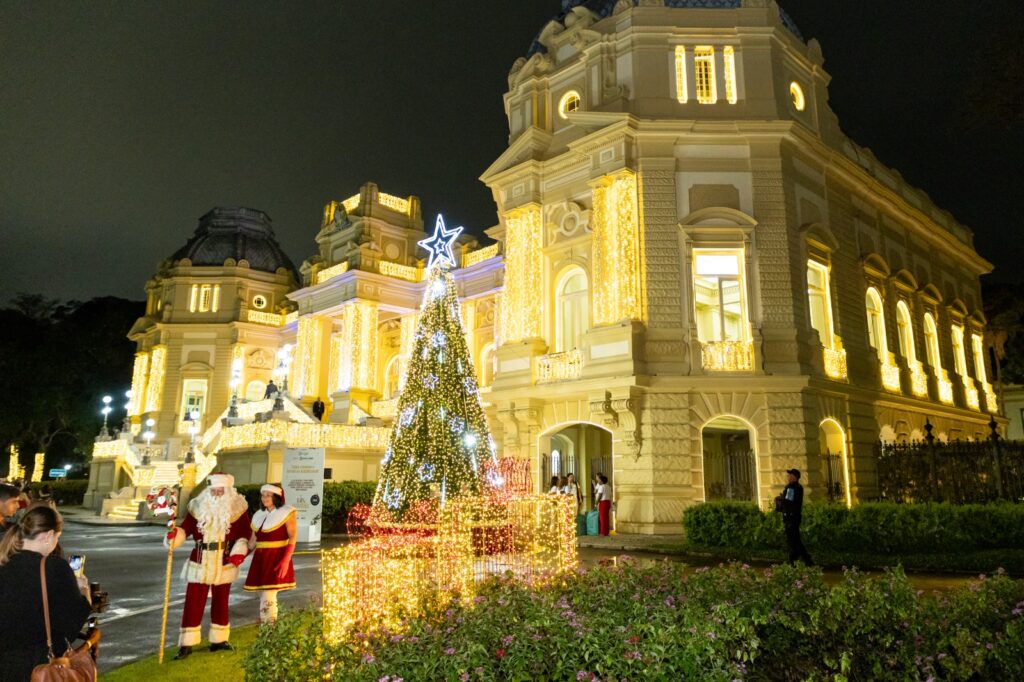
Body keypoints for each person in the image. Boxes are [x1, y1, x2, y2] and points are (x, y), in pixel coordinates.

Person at [0, 505, 93, 682]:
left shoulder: (4, 561)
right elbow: (71, 627)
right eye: (57, 537)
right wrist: (83, 592)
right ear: (49, 535)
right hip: (38, 666)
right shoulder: (55, 567)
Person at [166, 472, 251, 659]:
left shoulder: (238, 508)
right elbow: (185, 528)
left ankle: (219, 640)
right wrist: (175, 536)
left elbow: (246, 534)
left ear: (228, 489)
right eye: (214, 489)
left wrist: (240, 550)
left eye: (221, 489)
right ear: (209, 489)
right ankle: (186, 644)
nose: (217, 493)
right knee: (193, 602)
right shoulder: (197, 506)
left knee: (221, 601)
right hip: (200, 558)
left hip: (224, 560)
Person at [244, 484, 297, 623]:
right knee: (263, 594)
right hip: (260, 559)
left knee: (269, 595)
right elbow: (252, 542)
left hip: (276, 557)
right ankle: (267, 628)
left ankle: (269, 629)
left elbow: (293, 536)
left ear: (276, 497)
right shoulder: (259, 515)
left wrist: (285, 560)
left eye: (268, 495)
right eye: (263, 495)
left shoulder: (286, 513)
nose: (264, 498)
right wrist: (237, 557)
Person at [775, 468, 813, 565]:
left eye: (790, 475)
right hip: (791, 517)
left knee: (793, 540)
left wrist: (780, 500)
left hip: (792, 518)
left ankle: (799, 560)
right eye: (788, 475)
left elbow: (789, 501)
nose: (788, 477)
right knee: (794, 539)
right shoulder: (791, 487)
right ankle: (800, 560)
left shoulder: (794, 487)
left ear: (795, 477)